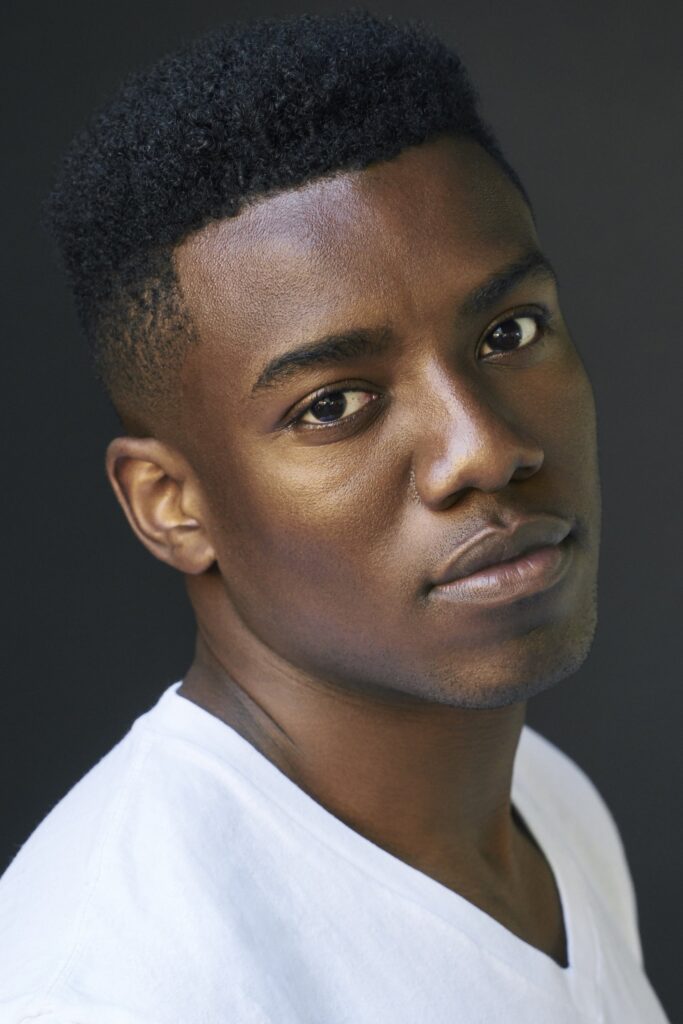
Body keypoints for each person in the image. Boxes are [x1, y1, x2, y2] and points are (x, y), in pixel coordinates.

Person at [0, 11, 669, 1023]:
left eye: (508, 332)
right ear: (171, 506)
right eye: (332, 404)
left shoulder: (546, 803)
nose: (482, 448)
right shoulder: (117, 990)